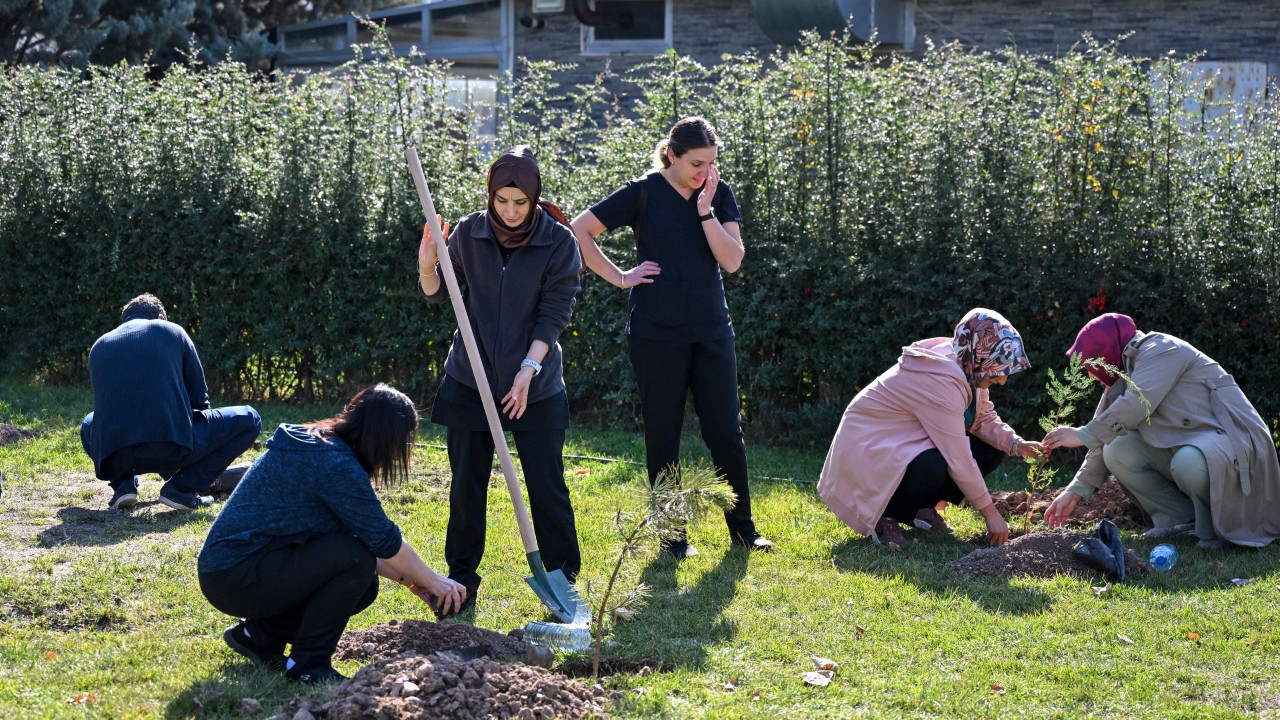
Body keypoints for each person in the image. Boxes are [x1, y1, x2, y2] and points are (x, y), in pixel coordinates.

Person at [569, 116, 772, 558]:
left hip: (712, 330)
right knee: (664, 433)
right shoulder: (643, 192)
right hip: (656, 334)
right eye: (696, 163)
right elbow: (580, 228)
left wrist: (705, 209)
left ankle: (744, 529)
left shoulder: (717, 193)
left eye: (711, 163)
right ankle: (672, 537)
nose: (705, 172)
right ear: (673, 155)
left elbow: (733, 260)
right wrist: (621, 277)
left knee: (725, 430)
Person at [198, 384, 465, 684]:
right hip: (234, 572)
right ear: (383, 437)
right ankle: (308, 666)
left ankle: (259, 637)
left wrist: (412, 581)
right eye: (400, 443)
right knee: (355, 561)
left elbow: (358, 540)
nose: (397, 454)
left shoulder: (324, 445)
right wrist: (435, 581)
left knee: (363, 581)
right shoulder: (334, 462)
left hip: (237, 567)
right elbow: (382, 539)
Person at [420, 146, 583, 614]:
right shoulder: (469, 233)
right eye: (501, 201)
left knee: (546, 483)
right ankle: (460, 580)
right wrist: (429, 260)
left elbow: (554, 316)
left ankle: (562, 580)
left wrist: (526, 372)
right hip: (470, 380)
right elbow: (438, 295)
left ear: (534, 199)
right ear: (490, 195)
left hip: (536, 383)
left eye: (520, 202)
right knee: (466, 483)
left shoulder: (558, 242)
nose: (509, 212)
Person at [1042, 313, 1280, 548]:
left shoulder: (1161, 349)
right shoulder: (1127, 371)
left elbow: (1136, 404)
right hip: (1197, 443)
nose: (1090, 375)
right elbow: (1104, 436)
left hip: (1233, 441)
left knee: (1188, 462)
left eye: (1091, 364)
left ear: (1105, 353)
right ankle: (1179, 520)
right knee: (1116, 448)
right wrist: (1075, 492)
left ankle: (1218, 528)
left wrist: (1082, 435)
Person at [818, 309, 1044, 548]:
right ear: (980, 355)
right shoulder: (939, 379)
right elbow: (958, 458)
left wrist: (1016, 444)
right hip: (866, 451)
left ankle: (920, 510)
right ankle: (885, 518)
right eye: (998, 369)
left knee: (991, 449)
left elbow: (983, 419)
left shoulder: (970, 365)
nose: (1002, 380)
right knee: (932, 464)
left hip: (901, 443)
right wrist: (991, 514)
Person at [80, 294, 261, 511]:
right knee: (251, 418)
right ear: (161, 317)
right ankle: (182, 489)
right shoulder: (171, 330)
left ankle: (123, 485)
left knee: (89, 423)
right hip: (172, 449)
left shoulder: (99, 346)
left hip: (118, 456)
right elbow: (200, 402)